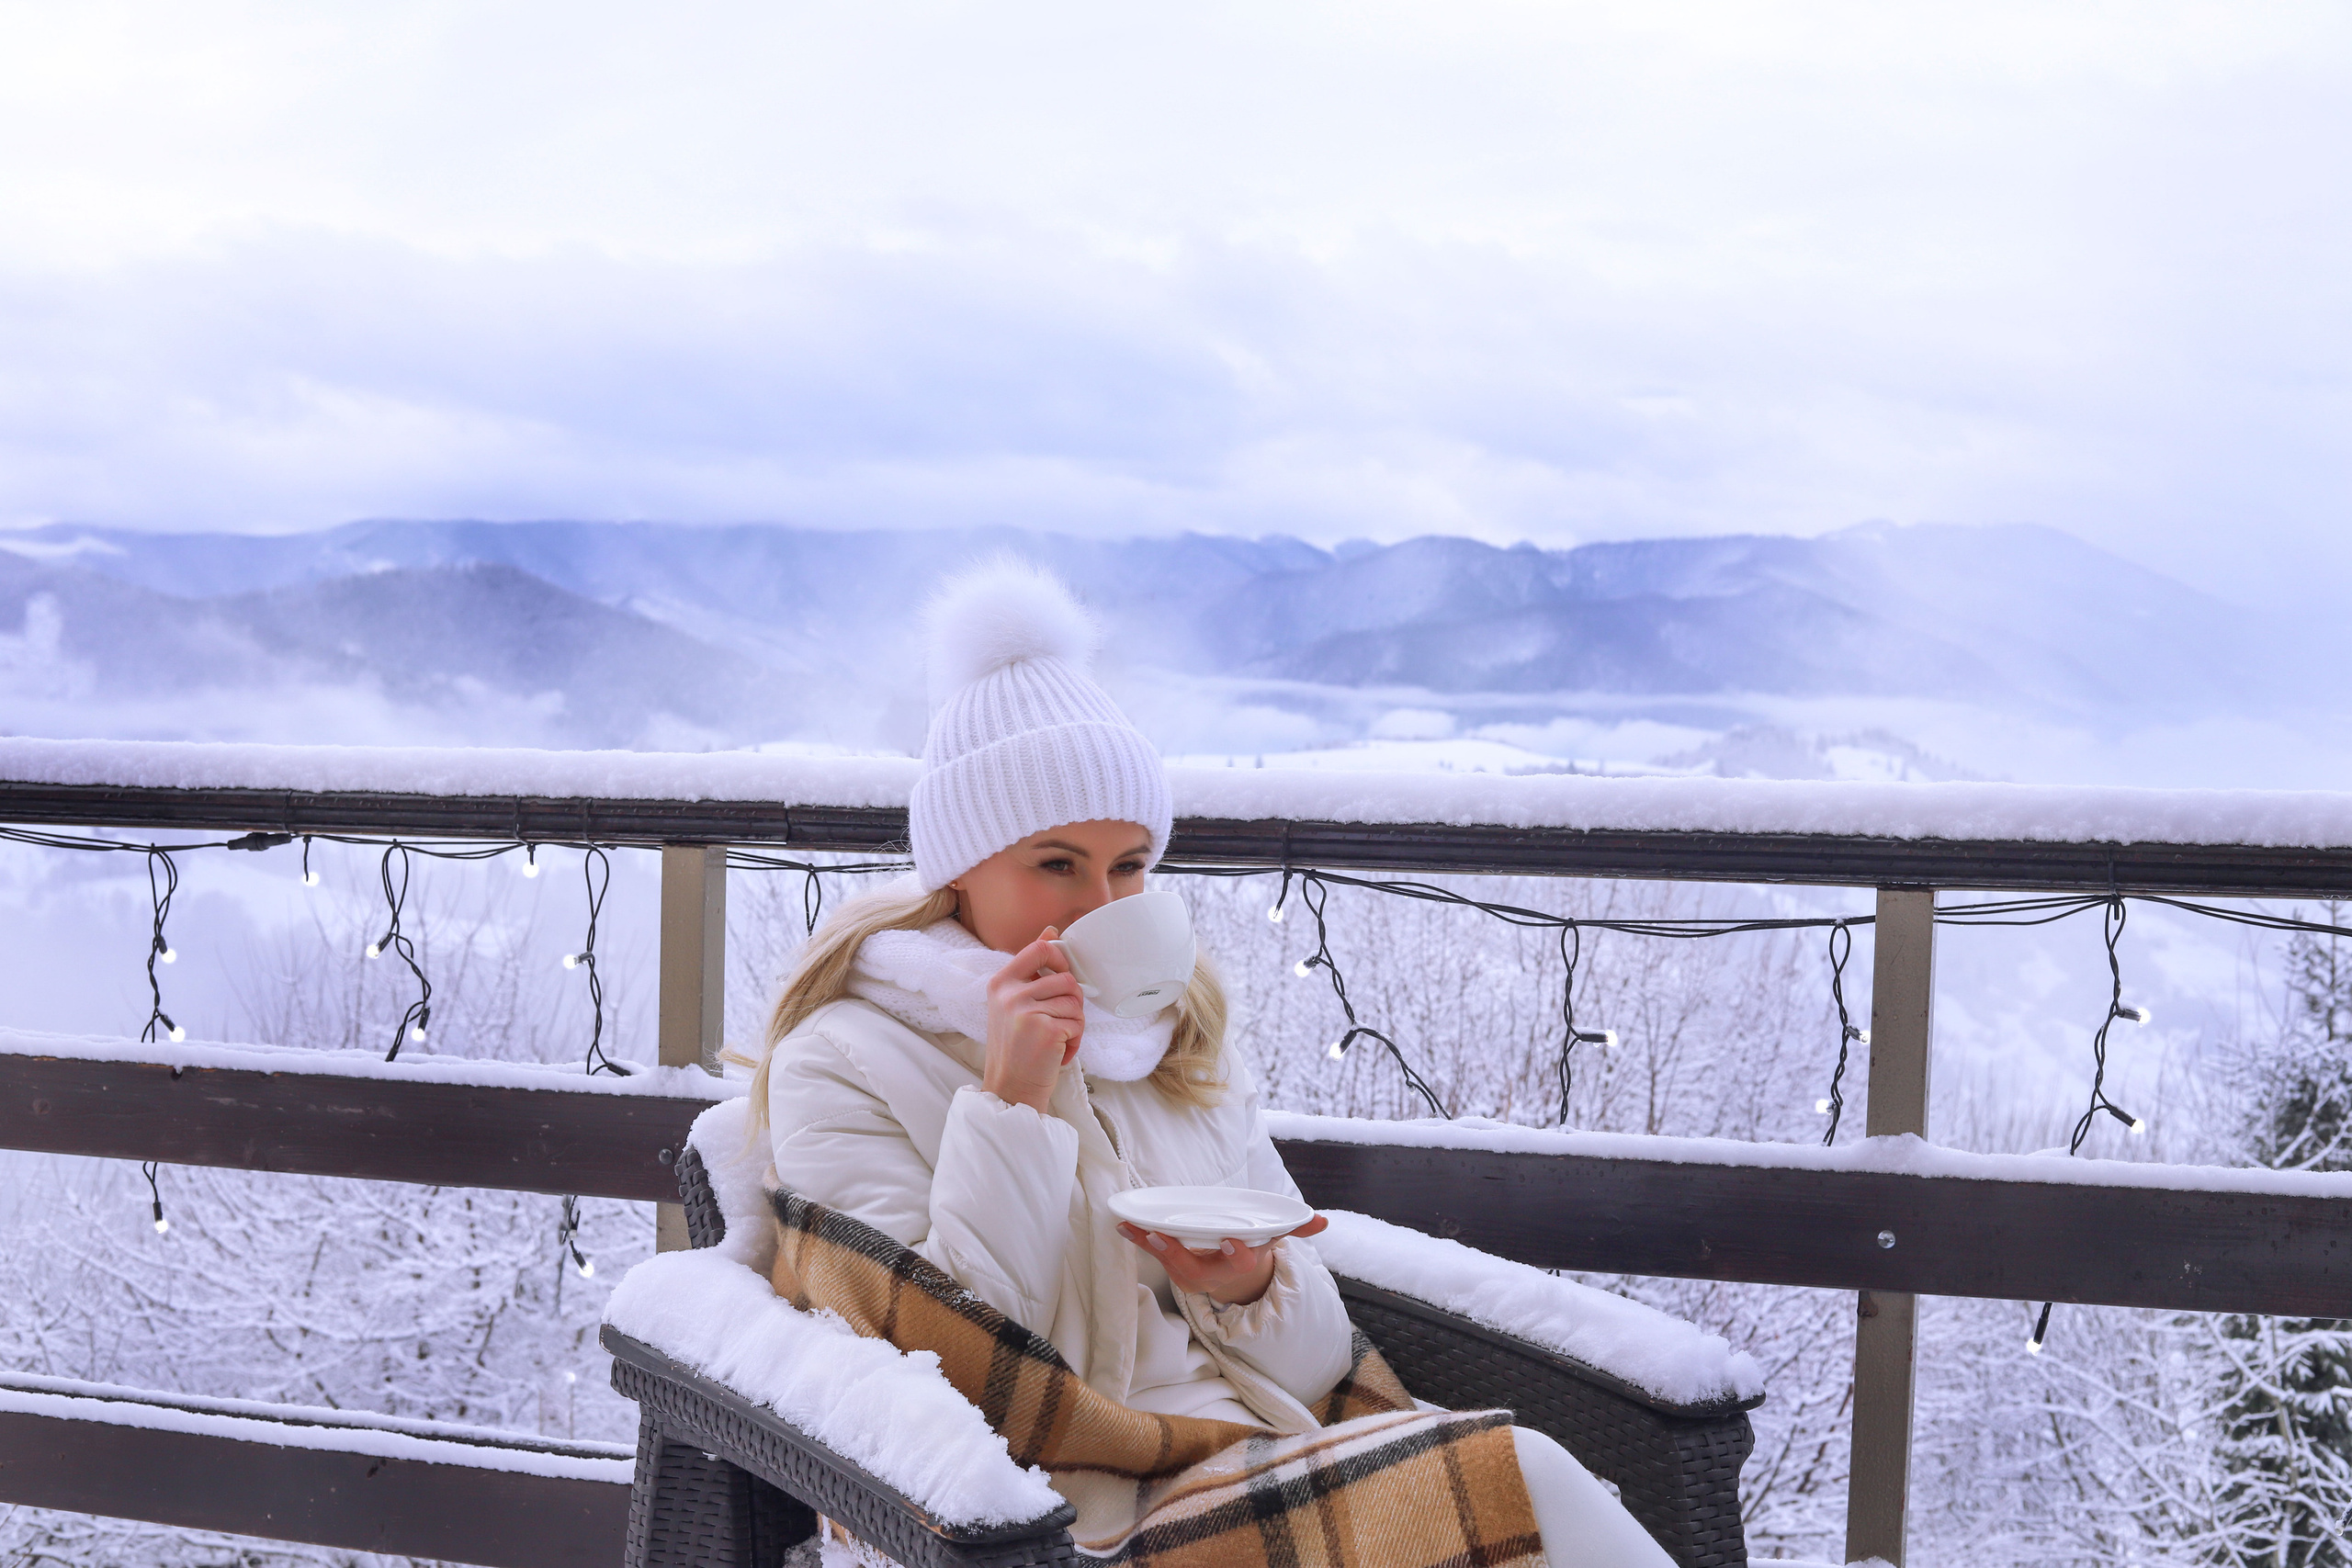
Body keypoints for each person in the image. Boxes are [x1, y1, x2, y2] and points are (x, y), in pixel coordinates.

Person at [749, 560, 1670, 1567]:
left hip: (1258, 1454)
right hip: (1057, 1516)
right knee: (1525, 1478)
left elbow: (1319, 1368)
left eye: (1130, 865)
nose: (1104, 905)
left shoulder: (1169, 1042)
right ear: (958, 868)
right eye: (1056, 864)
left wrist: (1250, 1286)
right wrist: (1011, 1102)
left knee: (1524, 1488)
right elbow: (943, 1373)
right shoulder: (841, 1058)